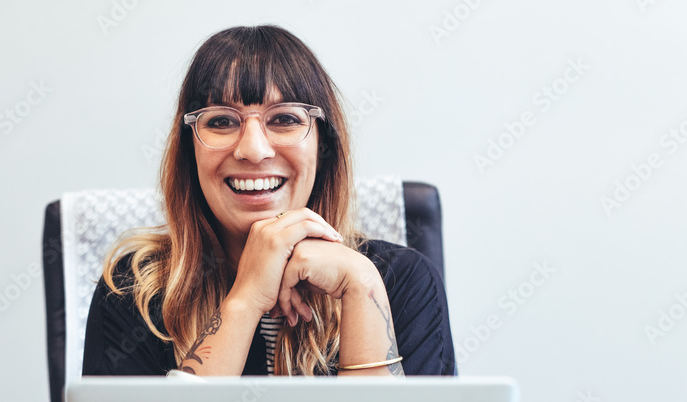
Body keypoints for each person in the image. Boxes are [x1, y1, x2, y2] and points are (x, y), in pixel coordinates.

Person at [82, 25, 455, 377]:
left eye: (285, 119)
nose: (253, 150)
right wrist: (244, 302)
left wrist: (361, 286)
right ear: (189, 151)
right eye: (221, 122)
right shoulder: (134, 291)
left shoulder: (402, 282)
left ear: (323, 146)